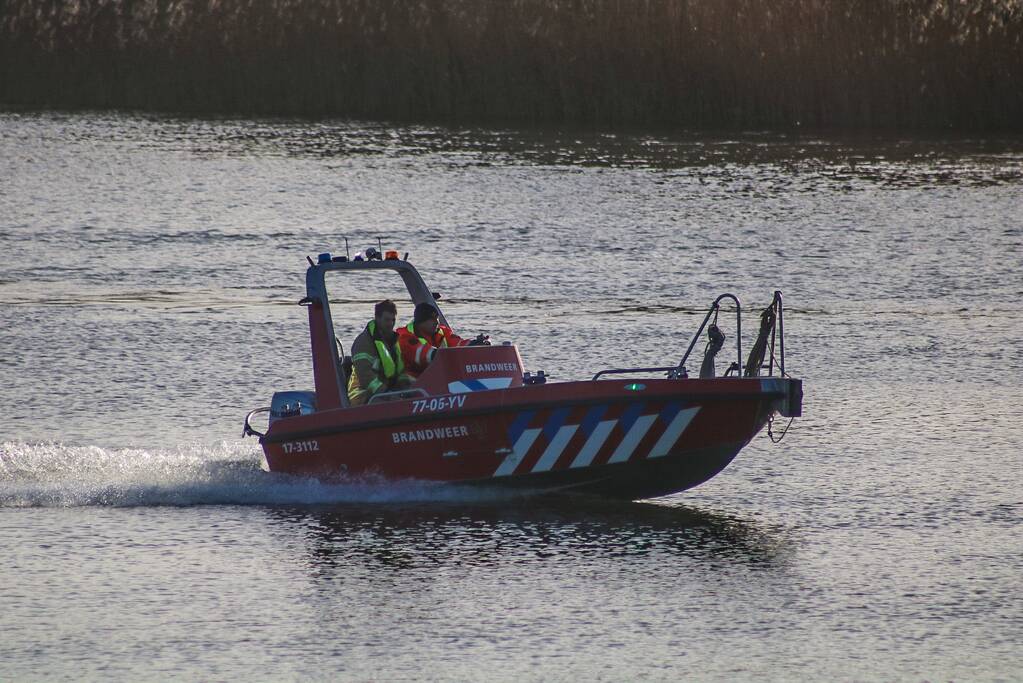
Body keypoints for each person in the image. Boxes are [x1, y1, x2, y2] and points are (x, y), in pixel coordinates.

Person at [347, 300, 413, 406]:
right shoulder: (363, 343)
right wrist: (388, 395)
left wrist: (407, 386)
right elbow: (366, 378)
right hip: (362, 395)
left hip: (385, 392)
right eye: (387, 320)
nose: (391, 324)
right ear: (377, 318)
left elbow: (400, 372)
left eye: (393, 320)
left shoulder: (393, 341)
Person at [397, 302, 489, 377]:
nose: (436, 322)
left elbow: (457, 343)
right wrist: (447, 354)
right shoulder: (405, 337)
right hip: (414, 384)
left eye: (437, 318)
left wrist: (474, 344)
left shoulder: (441, 332)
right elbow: (425, 355)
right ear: (421, 322)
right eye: (432, 319)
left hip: (438, 379)